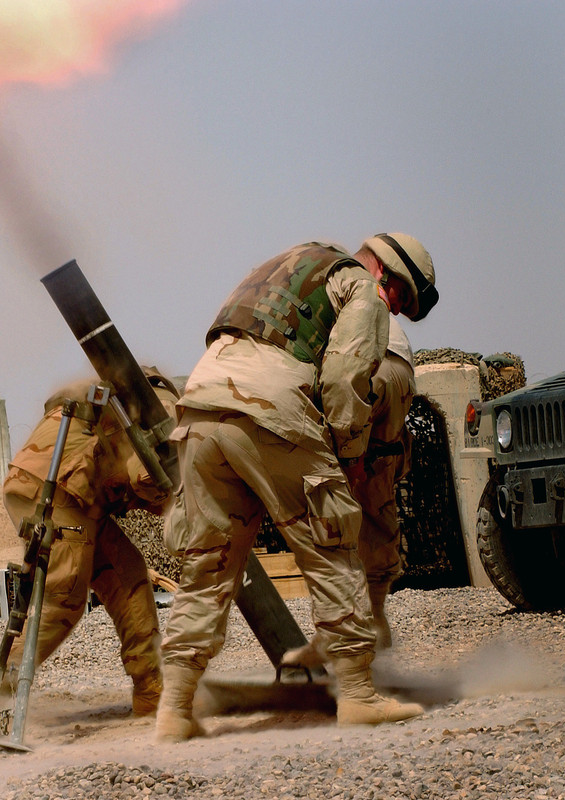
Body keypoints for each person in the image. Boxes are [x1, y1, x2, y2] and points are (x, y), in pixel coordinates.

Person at [156, 233, 438, 739]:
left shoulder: (284, 264)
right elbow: (345, 374)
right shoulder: (361, 286)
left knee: (208, 564)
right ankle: (358, 696)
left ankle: (174, 710)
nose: (393, 310)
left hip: (198, 408)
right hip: (268, 409)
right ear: (387, 277)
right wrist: (348, 457)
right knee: (332, 542)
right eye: (400, 300)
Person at [0, 368, 180, 728]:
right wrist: (178, 497)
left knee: (127, 575)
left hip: (73, 491)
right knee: (63, 599)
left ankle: (152, 692)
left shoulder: (144, 395)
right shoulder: (164, 410)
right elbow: (145, 476)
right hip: (55, 485)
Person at [281, 315, 416, 668]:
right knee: (377, 488)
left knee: (328, 496)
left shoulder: (318, 293)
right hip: (399, 370)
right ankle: (375, 618)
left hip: (356, 368)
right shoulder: (354, 285)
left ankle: (343, 633)